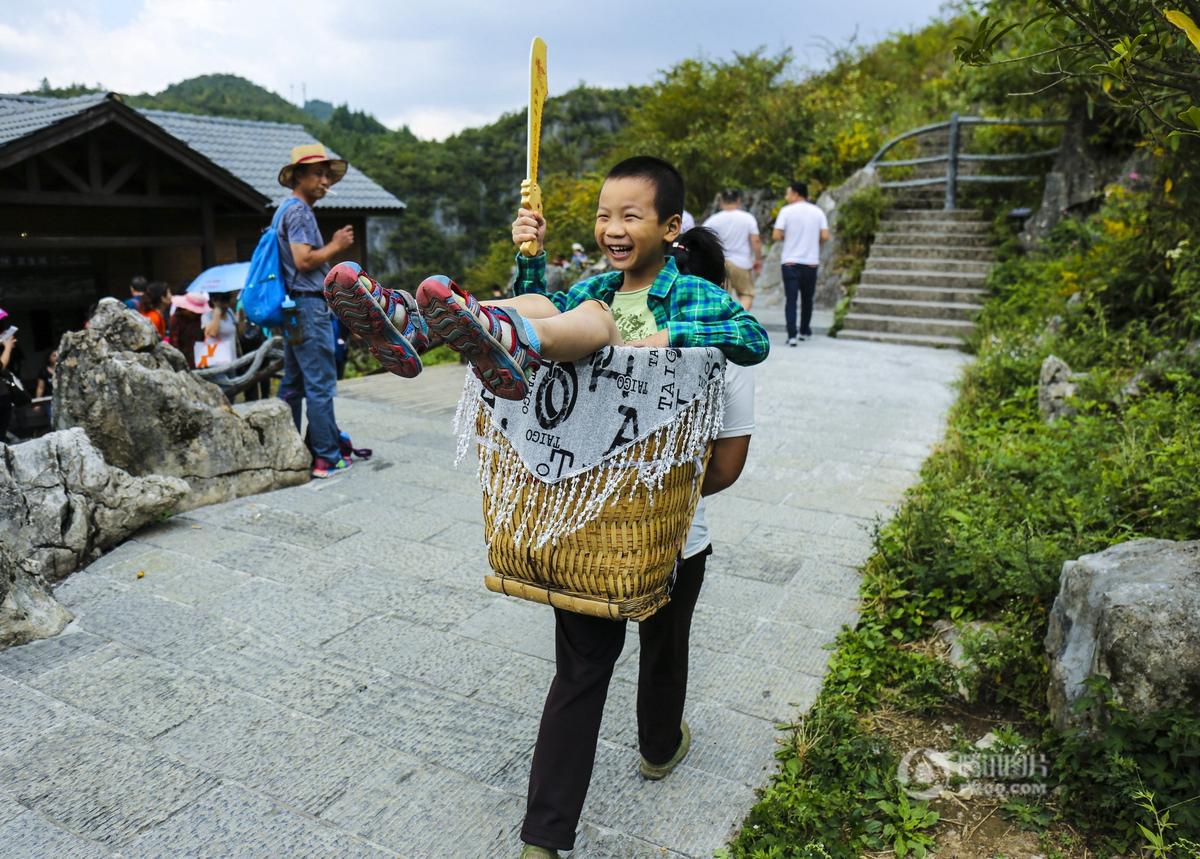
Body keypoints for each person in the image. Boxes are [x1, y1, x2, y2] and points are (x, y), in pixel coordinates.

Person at [324, 156, 768, 403]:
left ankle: (510, 341)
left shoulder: (692, 292)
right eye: (603, 216)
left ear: (670, 228)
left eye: (629, 217)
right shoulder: (598, 285)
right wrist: (530, 252)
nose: (612, 229)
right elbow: (539, 304)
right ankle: (416, 325)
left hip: (637, 414)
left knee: (592, 314)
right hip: (579, 415)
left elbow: (754, 338)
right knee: (549, 305)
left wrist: (670, 335)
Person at [275, 143, 356, 478]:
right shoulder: (299, 212)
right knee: (320, 383)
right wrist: (336, 246)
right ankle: (325, 457)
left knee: (292, 383)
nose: (325, 181)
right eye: (318, 174)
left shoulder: (283, 209)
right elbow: (303, 259)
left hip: (294, 307)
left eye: (327, 175)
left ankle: (288, 448)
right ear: (299, 177)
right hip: (309, 305)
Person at [772, 181, 830, 345]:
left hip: (790, 262)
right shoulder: (818, 212)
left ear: (796, 194)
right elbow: (825, 236)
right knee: (807, 299)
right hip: (811, 262)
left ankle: (792, 335)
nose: (786, 197)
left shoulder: (786, 211)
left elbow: (776, 235)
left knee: (791, 299)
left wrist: (788, 237)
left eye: (788, 193)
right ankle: (804, 330)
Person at [703, 188, 763, 310]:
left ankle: (723, 323)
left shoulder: (713, 220)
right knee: (746, 294)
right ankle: (739, 319)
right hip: (741, 263)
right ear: (738, 201)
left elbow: (702, 239)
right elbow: (755, 240)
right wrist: (758, 259)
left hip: (720, 263)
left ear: (721, 202)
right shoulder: (748, 218)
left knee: (721, 296)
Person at [170, 292, 208, 370]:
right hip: (183, 357)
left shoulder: (201, 319)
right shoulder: (176, 319)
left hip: (199, 357)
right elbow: (174, 343)